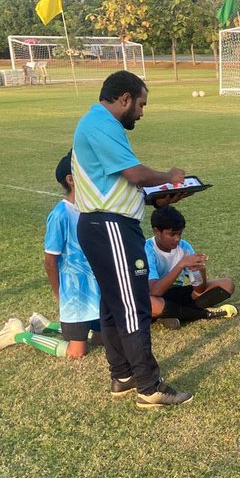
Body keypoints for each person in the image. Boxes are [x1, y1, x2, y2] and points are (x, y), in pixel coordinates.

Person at [72, 70, 193, 408]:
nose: (141, 111)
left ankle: (123, 374)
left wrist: (156, 199)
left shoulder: (100, 124)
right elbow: (136, 174)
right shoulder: (100, 124)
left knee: (113, 303)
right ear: (124, 99)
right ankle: (149, 386)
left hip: (106, 224)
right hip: (109, 226)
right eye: (140, 104)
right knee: (133, 304)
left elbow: (119, 185)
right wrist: (170, 177)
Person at [0, 152, 101, 358]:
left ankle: (46, 325)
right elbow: (50, 262)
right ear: (71, 180)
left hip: (96, 292)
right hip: (75, 295)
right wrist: (61, 296)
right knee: (77, 352)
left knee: (105, 339)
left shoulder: (92, 209)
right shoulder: (60, 214)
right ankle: (18, 334)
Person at [145, 205, 237, 329]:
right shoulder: (147, 249)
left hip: (176, 294)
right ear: (156, 231)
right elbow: (155, 291)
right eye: (172, 234)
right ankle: (204, 314)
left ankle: (172, 314)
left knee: (227, 284)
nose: (177, 239)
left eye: (180, 234)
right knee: (150, 303)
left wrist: (201, 271)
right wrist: (181, 264)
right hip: (154, 296)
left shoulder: (184, 247)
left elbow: (199, 290)